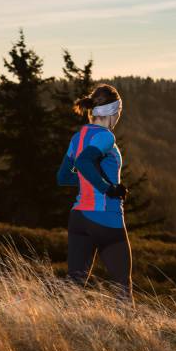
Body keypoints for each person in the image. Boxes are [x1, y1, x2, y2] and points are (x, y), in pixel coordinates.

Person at [56, 84, 133, 302]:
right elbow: (84, 161)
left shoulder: (78, 138)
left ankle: (33, 300)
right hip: (105, 217)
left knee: (73, 283)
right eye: (118, 113)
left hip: (79, 217)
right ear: (113, 113)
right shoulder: (106, 137)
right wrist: (108, 188)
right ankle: (129, 334)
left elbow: (64, 177)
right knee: (122, 287)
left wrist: (87, 181)